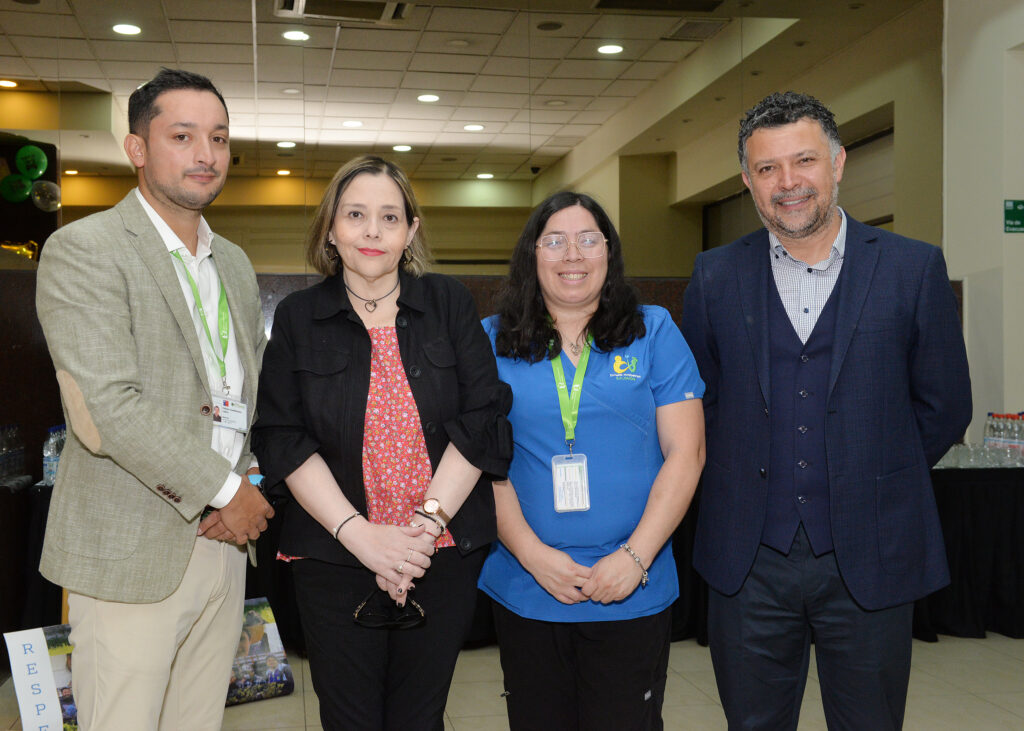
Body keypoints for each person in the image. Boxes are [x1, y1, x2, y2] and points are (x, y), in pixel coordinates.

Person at [680, 91, 972, 730]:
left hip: (872, 553)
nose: (788, 183)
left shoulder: (912, 268)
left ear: (837, 163)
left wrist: (869, 470)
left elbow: (945, 405)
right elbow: (699, 407)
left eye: (803, 161)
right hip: (747, 560)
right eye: (767, 169)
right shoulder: (714, 277)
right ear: (748, 183)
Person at [34, 68, 274, 730]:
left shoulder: (233, 264)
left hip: (223, 547)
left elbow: (240, 399)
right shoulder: (85, 250)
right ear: (137, 148)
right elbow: (109, 409)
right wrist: (228, 490)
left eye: (220, 138)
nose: (206, 154)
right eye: (183, 135)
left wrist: (242, 483)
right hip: (129, 550)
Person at [251, 154, 512, 730]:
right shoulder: (299, 317)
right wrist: (363, 539)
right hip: (333, 552)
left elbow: (483, 417)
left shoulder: (448, 303)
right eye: (356, 215)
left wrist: (423, 529)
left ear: (411, 231)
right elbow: (281, 436)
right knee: (349, 718)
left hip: (439, 552)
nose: (373, 231)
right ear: (331, 229)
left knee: (421, 716)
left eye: (390, 217)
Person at [478, 191, 706, 730]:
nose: (572, 255)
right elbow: (482, 463)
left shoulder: (654, 330)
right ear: (532, 255)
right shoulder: (492, 340)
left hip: (634, 585)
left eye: (588, 240)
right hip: (527, 585)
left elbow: (686, 452)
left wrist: (635, 557)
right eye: (554, 241)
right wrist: (534, 557)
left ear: (609, 252)